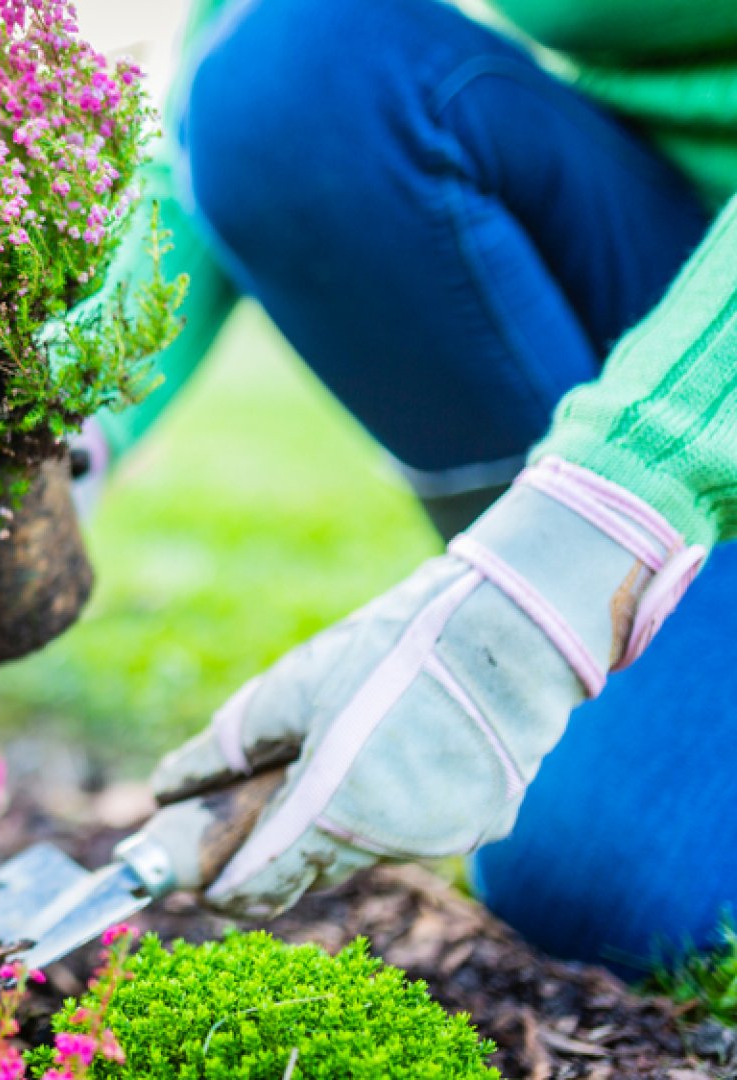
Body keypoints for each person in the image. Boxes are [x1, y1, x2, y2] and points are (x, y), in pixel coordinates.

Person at [81, 0, 737, 975]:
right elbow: (222, 78)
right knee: (294, 77)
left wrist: (594, 533)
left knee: (612, 888)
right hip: (669, 249)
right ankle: (572, 607)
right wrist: (64, 427)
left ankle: (577, 586)